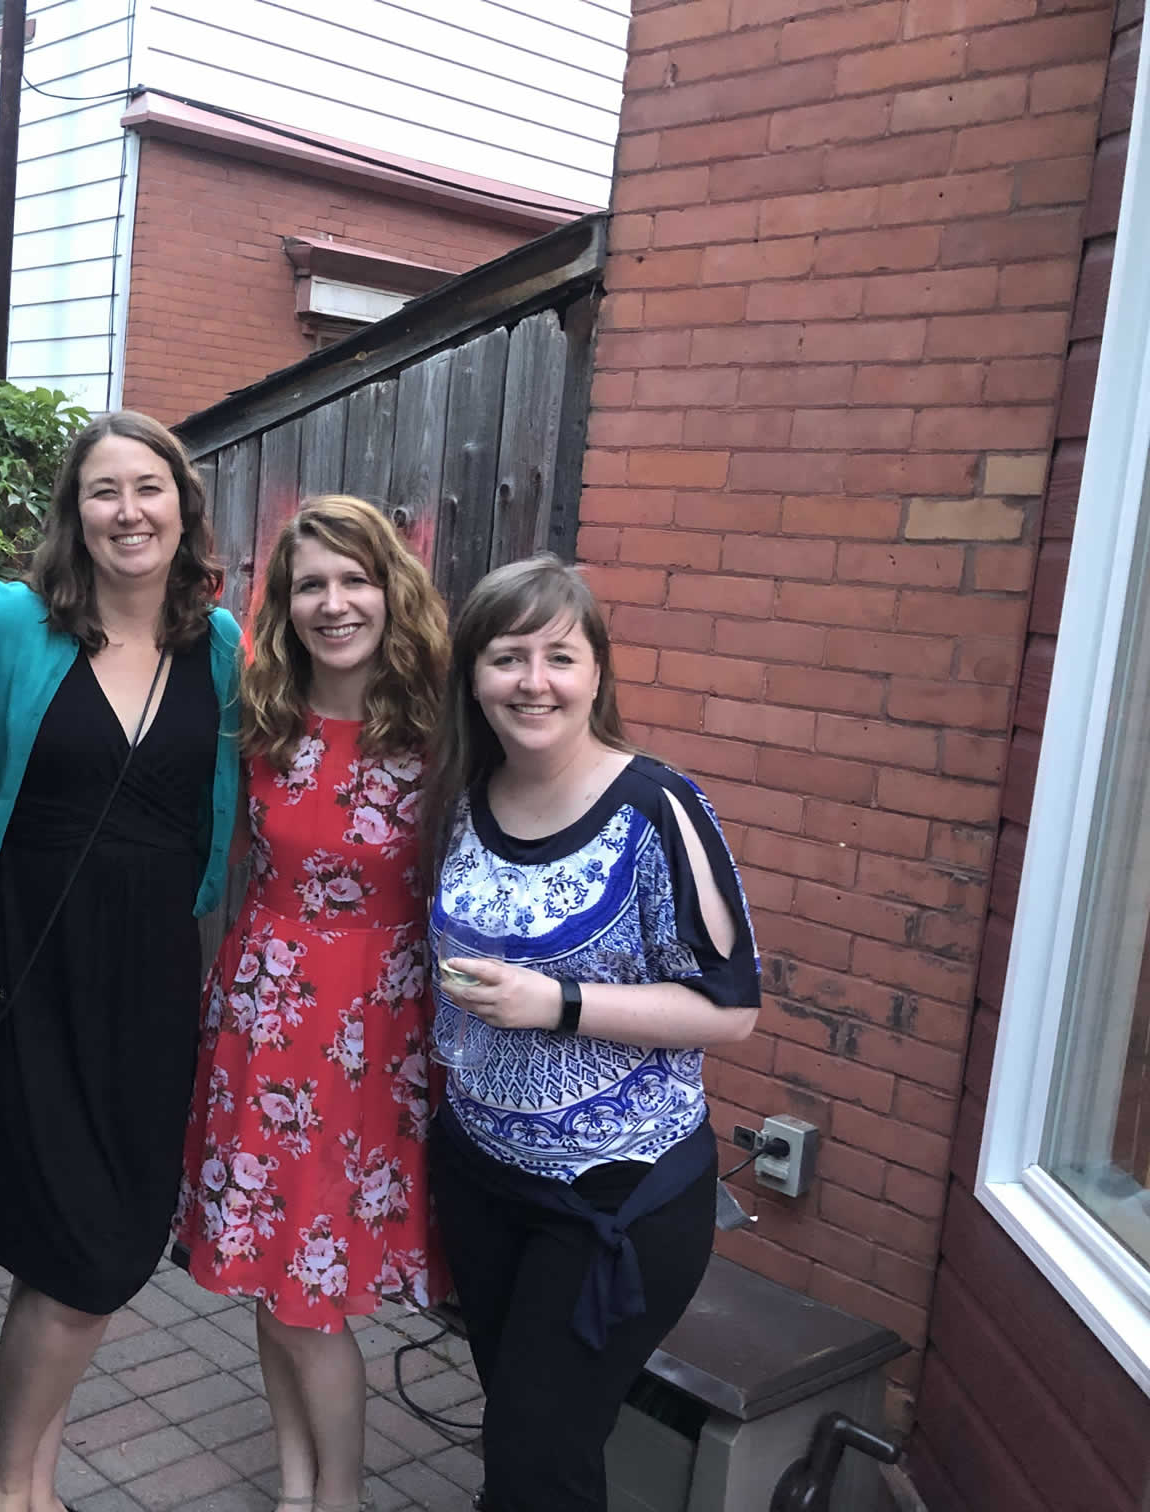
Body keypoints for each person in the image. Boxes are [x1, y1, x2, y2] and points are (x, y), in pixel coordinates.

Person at [0, 410, 242, 1512]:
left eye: (149, 488)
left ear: (183, 509)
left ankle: (23, 1474)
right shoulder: (8, 625)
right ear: (75, 513)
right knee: (79, 1252)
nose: (129, 511)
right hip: (28, 966)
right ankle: (13, 1485)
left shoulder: (223, 647)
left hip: (152, 982)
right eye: (103, 491)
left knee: (102, 1237)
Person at [419, 555, 760, 1512]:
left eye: (559, 657)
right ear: (474, 678)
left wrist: (557, 1002)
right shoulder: (464, 799)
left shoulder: (655, 808)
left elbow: (732, 1007)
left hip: (614, 1197)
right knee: (533, 1439)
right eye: (507, 658)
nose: (534, 682)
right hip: (481, 1177)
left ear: (597, 673)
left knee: (535, 1455)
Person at [174, 496, 449, 1512]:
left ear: (391, 590)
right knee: (267, 1266)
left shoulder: (441, 732)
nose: (333, 604)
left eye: (354, 580)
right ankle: (297, 1486)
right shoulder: (261, 721)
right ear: (284, 605)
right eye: (309, 586)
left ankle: (340, 1498)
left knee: (309, 1291)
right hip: (261, 1017)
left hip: (374, 1032)